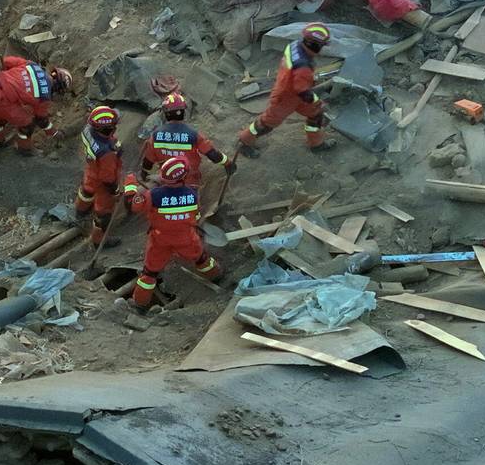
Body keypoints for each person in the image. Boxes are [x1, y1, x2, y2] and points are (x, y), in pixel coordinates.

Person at [123, 157, 222, 311]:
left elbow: (133, 206)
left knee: (149, 273)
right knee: (201, 258)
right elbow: (194, 216)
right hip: (187, 238)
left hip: (160, 240)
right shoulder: (192, 194)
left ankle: (139, 304)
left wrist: (130, 184)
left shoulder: (153, 195)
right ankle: (216, 276)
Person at [238, 23, 334, 156]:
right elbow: (303, 92)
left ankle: (316, 144)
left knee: (315, 115)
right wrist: (319, 102)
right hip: (285, 98)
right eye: (321, 45)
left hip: (289, 89)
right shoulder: (303, 67)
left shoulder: (294, 46)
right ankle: (244, 142)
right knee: (266, 124)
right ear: (314, 44)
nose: (321, 48)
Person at [140, 92, 235, 187]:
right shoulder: (193, 135)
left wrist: (144, 173)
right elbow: (212, 154)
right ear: (183, 112)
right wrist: (228, 163)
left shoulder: (156, 136)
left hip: (167, 181)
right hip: (190, 182)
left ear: (166, 113)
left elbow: (148, 160)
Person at [0, 57, 72, 155]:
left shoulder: (32, 65)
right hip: (2, 102)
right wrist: (53, 133)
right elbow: (41, 120)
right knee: (28, 124)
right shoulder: (44, 97)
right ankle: (24, 148)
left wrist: (9, 78)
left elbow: (7, 61)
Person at [75, 106, 123, 248]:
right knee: (103, 212)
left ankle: (80, 212)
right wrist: (114, 190)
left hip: (91, 170)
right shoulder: (107, 153)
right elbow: (108, 178)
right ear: (108, 129)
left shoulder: (88, 130)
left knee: (86, 191)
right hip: (103, 179)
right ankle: (98, 240)